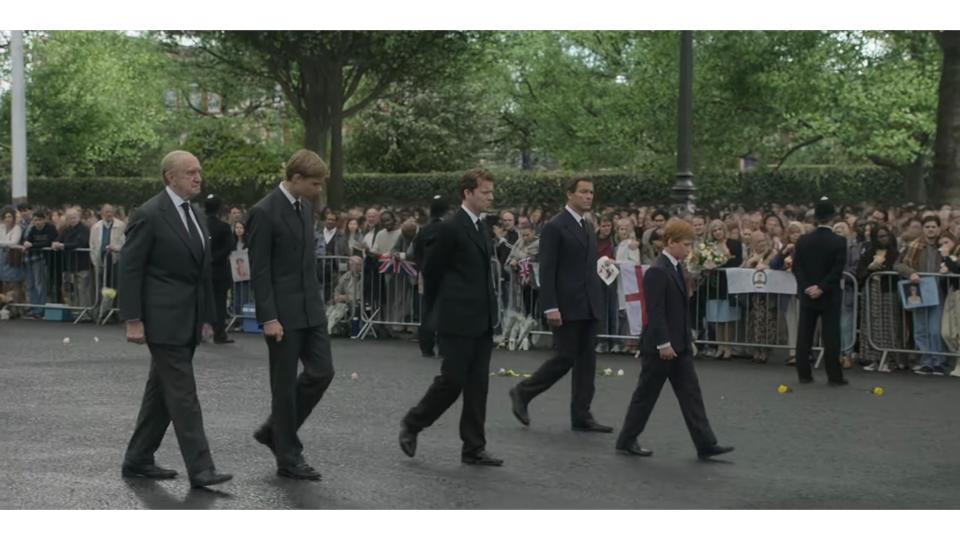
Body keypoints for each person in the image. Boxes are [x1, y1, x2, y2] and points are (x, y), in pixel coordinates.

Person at [119, 150, 232, 489]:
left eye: (199, 171)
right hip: (162, 320)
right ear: (171, 177)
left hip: (189, 317)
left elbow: (200, 272)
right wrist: (133, 319)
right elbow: (130, 267)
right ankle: (202, 468)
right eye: (190, 172)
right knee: (183, 394)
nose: (198, 178)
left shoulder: (195, 213)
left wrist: (209, 317)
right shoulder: (149, 214)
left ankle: (138, 458)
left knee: (162, 393)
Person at [399, 169, 503, 467]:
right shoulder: (450, 228)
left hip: (481, 317)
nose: (490, 197)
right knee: (452, 380)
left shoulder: (482, 227)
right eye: (485, 192)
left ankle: (473, 447)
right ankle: (414, 422)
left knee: (478, 385)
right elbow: (431, 271)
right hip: (456, 317)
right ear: (467, 193)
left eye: (491, 192)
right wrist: (437, 310)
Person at [247, 149, 336, 481]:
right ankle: (288, 456)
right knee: (283, 387)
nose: (319, 190)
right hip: (282, 314)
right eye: (314, 183)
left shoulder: (306, 207)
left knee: (322, 372)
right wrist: (268, 317)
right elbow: (260, 270)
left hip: (310, 309)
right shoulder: (264, 212)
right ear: (295, 179)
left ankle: (274, 430)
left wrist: (318, 303)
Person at [615, 218, 734, 460]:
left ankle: (705, 442)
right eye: (686, 244)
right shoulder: (658, 271)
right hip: (661, 346)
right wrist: (663, 343)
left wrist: (684, 338)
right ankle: (626, 439)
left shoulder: (675, 267)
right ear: (671, 242)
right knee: (645, 395)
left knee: (691, 394)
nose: (689, 249)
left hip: (678, 344)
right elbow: (655, 311)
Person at [509, 178, 613, 434]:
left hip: (589, 303)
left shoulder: (588, 226)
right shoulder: (555, 226)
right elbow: (548, 269)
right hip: (566, 305)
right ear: (570, 195)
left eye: (591, 192)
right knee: (565, 358)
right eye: (583, 192)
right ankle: (523, 392)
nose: (589, 196)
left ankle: (582, 414)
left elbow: (587, 266)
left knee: (587, 361)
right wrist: (550, 306)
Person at [792, 197, 848, 385]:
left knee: (804, 334)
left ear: (815, 218)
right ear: (832, 218)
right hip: (829, 294)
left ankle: (804, 374)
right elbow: (837, 270)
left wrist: (808, 287)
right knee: (831, 336)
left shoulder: (803, 240)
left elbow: (797, 267)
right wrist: (822, 287)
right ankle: (834, 375)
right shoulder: (839, 241)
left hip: (807, 293)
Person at [410, 196, 449, 357]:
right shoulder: (448, 228)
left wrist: (421, 268)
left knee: (427, 310)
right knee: (444, 310)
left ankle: (426, 346)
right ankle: (444, 346)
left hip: (427, 274)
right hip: (445, 274)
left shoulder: (424, 230)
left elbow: (416, 252)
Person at [204, 195, 234, 344]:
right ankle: (219, 333)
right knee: (220, 303)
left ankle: (199, 331)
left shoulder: (200, 224)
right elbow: (229, 247)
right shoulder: (223, 227)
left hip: (202, 269)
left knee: (201, 300)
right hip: (219, 269)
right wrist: (215, 258)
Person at [89, 204, 126, 322]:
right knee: (101, 287)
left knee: (113, 286)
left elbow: (124, 243)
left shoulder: (120, 225)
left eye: (110, 212)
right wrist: (95, 261)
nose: (108, 214)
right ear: (102, 213)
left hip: (115, 260)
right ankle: (102, 311)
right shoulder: (95, 227)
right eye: (106, 212)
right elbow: (92, 245)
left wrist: (116, 248)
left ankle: (112, 312)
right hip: (100, 261)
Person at [52, 207, 93, 314]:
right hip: (70, 265)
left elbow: (80, 243)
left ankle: (85, 312)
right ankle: (73, 311)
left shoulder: (84, 229)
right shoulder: (67, 229)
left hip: (82, 264)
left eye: (74, 217)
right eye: (70, 218)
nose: (72, 220)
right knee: (71, 290)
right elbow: (58, 239)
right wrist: (55, 243)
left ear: (79, 217)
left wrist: (63, 245)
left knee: (82, 290)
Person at [21, 209, 58, 318]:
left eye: (40, 220)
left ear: (45, 220)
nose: (38, 222)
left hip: (43, 260)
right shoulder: (32, 229)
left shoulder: (50, 228)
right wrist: (27, 243)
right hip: (30, 259)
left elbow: (49, 242)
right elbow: (27, 241)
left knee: (40, 284)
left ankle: (41, 309)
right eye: (36, 220)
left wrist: (33, 245)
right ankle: (34, 307)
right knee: (31, 284)